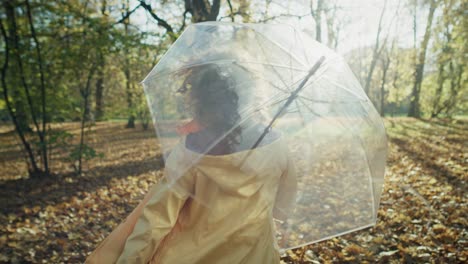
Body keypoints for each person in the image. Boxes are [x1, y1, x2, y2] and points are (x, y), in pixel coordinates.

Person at [85, 64, 297, 264]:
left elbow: (156, 219)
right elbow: (283, 207)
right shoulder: (277, 145)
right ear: (251, 94)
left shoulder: (191, 150)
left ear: (200, 100)